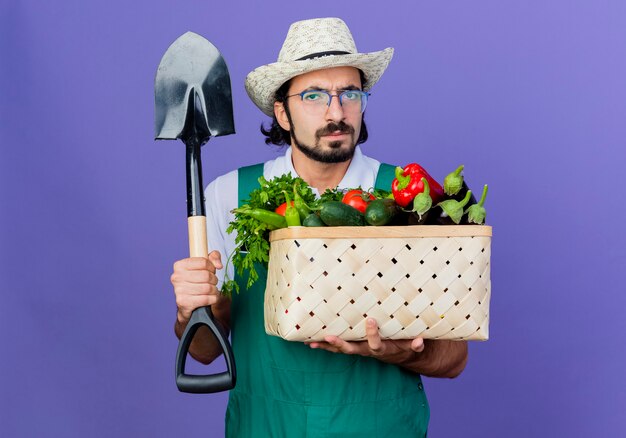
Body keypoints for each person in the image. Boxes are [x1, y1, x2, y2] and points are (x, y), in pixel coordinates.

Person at [170, 17, 468, 437]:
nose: (336, 111)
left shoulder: (410, 197)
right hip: (267, 427)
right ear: (283, 113)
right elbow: (203, 353)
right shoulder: (228, 196)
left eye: (350, 93)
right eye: (313, 95)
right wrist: (192, 308)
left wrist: (398, 354)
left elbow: (453, 359)